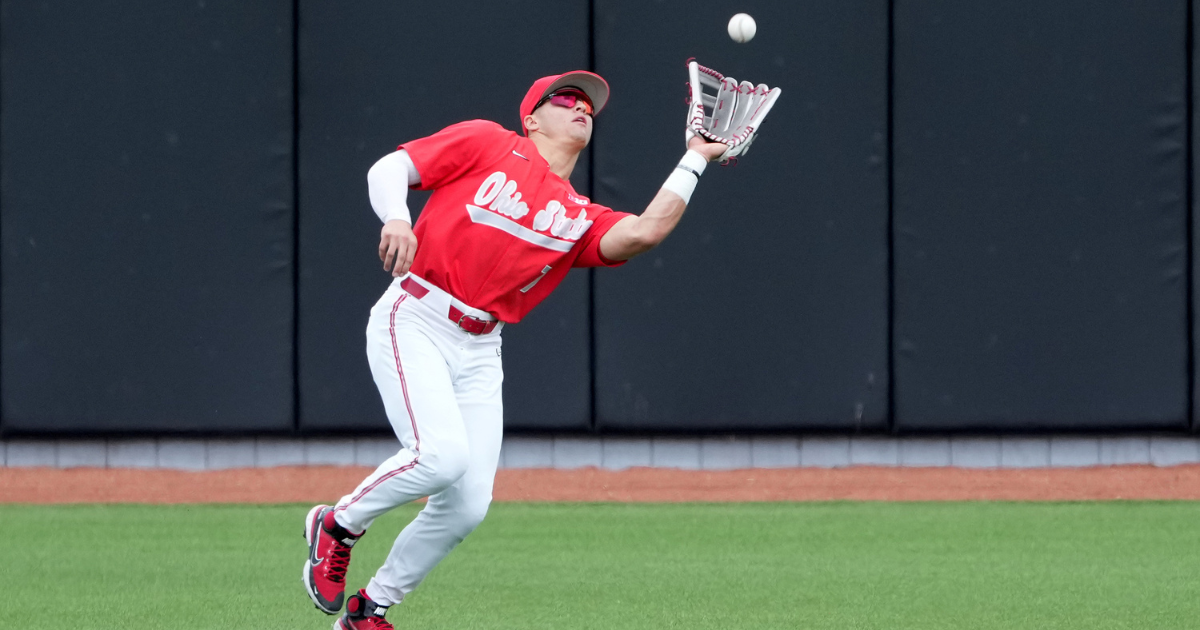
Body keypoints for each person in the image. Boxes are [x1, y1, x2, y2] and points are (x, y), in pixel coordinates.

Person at [303, 70, 727, 630]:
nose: (582, 108)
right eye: (567, 99)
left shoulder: (577, 212)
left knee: (467, 505)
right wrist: (398, 218)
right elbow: (389, 167)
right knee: (441, 456)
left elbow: (644, 232)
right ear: (531, 118)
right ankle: (338, 524)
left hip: (481, 348)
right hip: (419, 315)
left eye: (589, 105)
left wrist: (694, 158)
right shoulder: (489, 141)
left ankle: (370, 608)